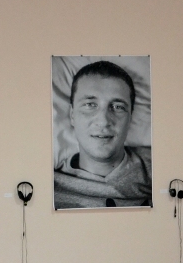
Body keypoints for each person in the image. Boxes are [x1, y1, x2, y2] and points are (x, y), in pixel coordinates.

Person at [54, 60, 152, 209]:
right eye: (90, 105)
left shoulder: (159, 165)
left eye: (118, 107)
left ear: (130, 117)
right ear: (72, 115)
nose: (104, 121)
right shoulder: (49, 189)